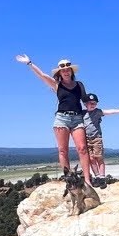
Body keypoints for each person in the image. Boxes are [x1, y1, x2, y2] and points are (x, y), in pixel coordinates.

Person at [16, 54, 93, 186]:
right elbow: (41, 75)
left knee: (82, 148)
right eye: (63, 70)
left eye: (68, 69)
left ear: (71, 71)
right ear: (60, 72)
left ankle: (87, 180)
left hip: (77, 118)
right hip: (61, 119)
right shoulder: (56, 85)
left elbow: (86, 100)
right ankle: (69, 181)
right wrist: (29, 63)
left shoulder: (79, 85)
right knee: (63, 150)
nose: (66, 71)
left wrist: (97, 109)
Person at [81, 93, 119, 187]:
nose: (92, 104)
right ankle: (97, 177)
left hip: (96, 138)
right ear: (85, 104)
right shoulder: (82, 113)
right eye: (90, 103)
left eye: (94, 103)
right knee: (91, 159)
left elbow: (108, 112)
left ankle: (102, 178)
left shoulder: (97, 112)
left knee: (99, 158)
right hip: (86, 140)